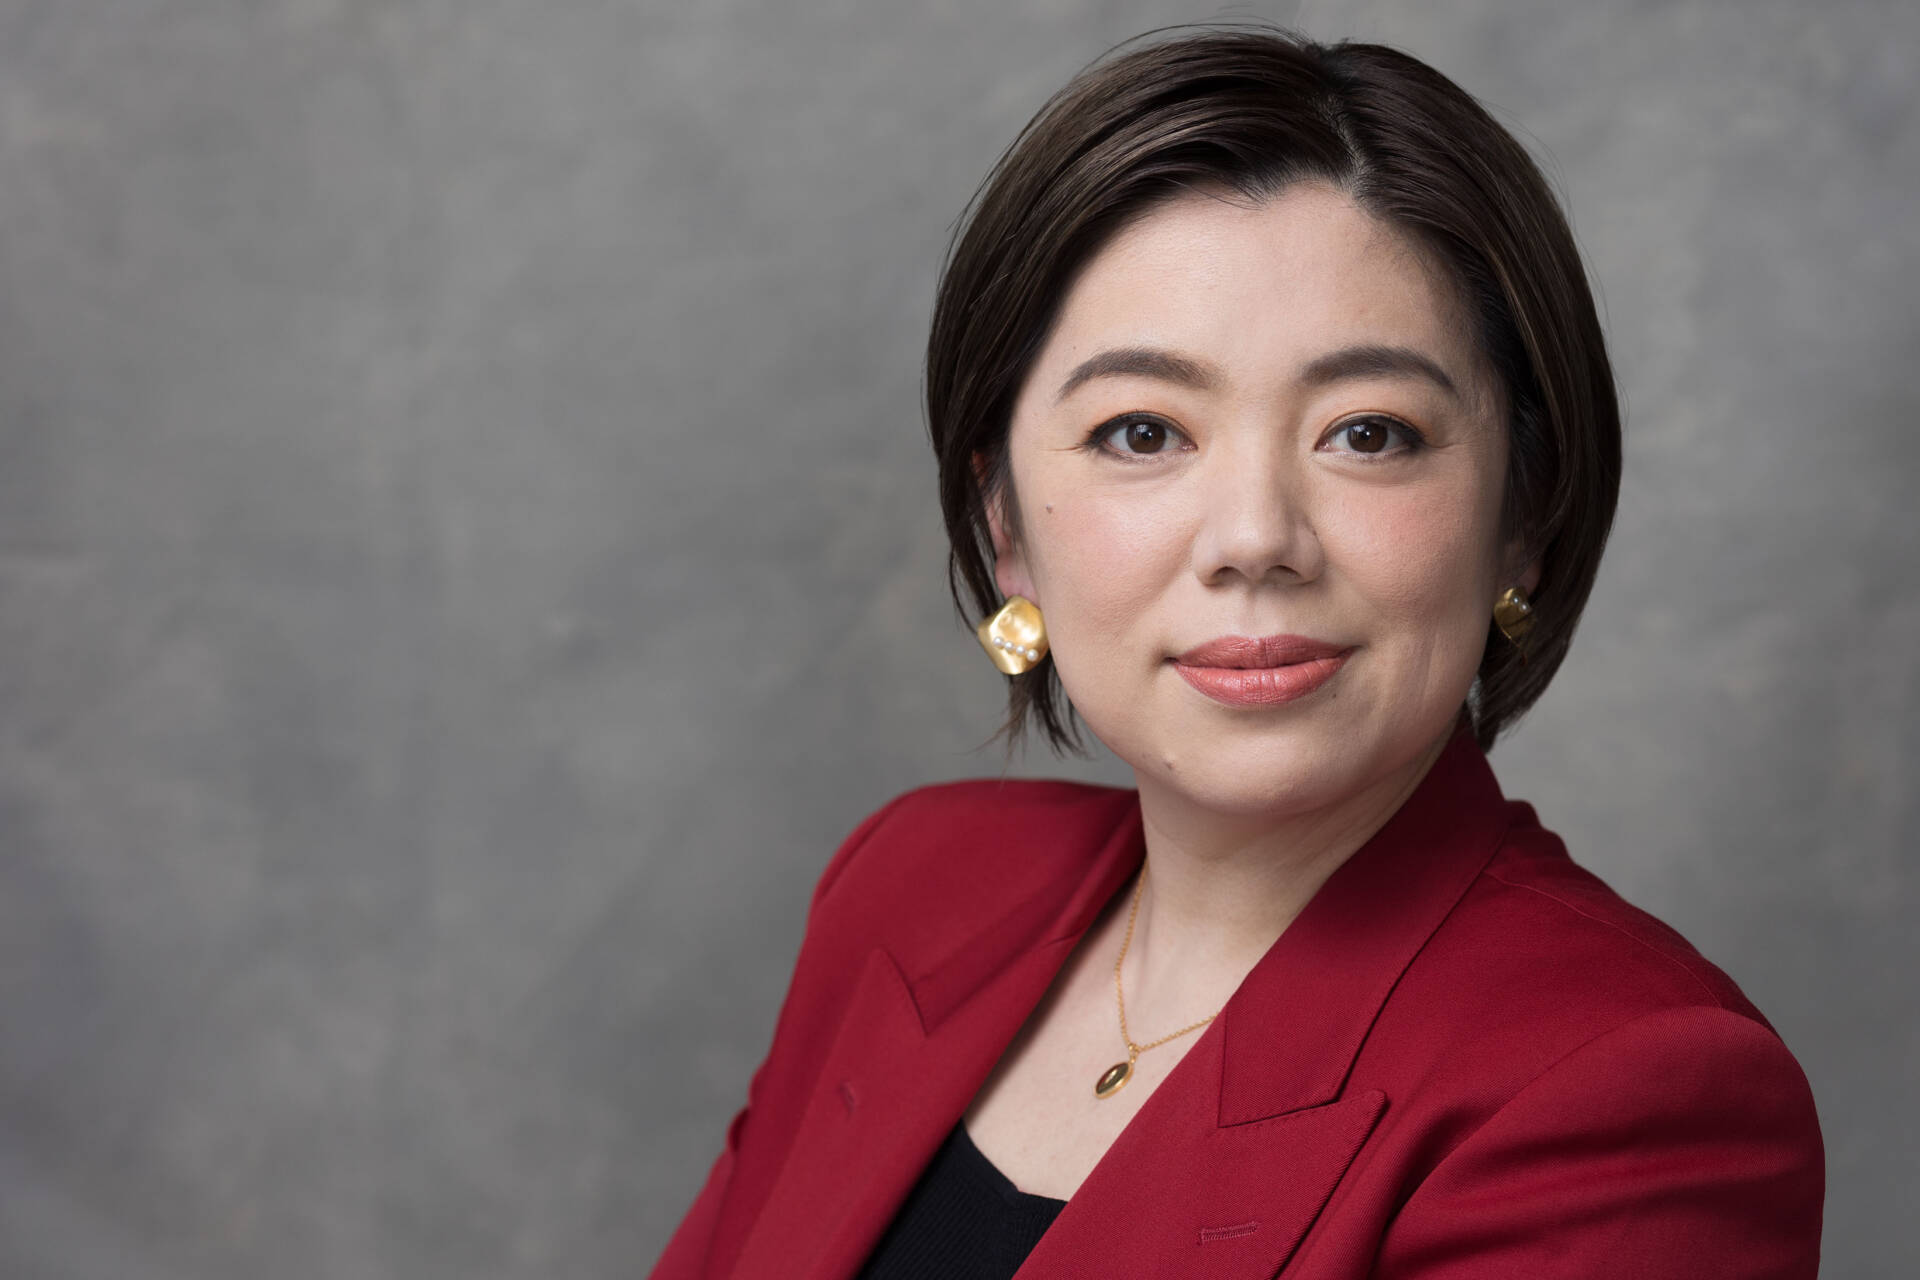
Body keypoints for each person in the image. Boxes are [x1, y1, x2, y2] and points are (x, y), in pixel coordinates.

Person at [650, 22, 1824, 1280]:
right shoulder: (911, 884)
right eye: (1143, 430)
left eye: (1369, 432)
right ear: (1007, 531)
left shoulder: (1628, 1095)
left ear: (1522, 518)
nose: (1255, 538)